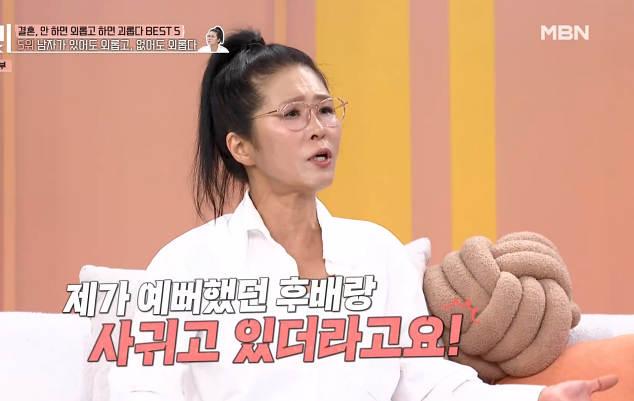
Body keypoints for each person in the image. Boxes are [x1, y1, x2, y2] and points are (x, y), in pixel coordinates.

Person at [108, 29, 617, 401]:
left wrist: (535, 398)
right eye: (292, 113)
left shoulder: (376, 250)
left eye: (326, 109)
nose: (319, 128)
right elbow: (141, 391)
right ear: (241, 146)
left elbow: (428, 382)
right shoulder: (186, 265)